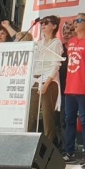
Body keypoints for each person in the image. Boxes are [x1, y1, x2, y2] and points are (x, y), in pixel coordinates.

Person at [63, 13, 85, 163]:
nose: (75, 23)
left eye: (79, 21)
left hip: (84, 88)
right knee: (69, 120)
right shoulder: (71, 42)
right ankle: (69, 151)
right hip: (69, 87)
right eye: (74, 21)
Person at [29, 16, 63, 148]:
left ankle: (49, 146)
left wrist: (46, 83)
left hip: (48, 80)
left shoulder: (56, 43)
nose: (42, 25)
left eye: (46, 23)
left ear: (54, 26)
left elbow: (56, 65)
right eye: (42, 23)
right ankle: (29, 143)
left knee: (48, 116)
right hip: (36, 78)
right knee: (31, 113)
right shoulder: (39, 43)